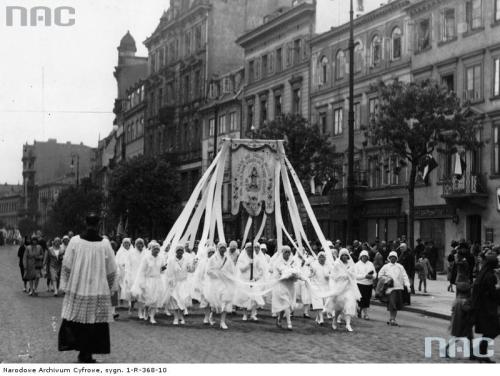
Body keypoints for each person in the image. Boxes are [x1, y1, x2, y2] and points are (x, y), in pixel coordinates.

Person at [58, 213, 117, 363]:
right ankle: (87, 353)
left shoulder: (75, 241)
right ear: (98, 225)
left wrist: (64, 285)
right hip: (98, 288)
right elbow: (111, 269)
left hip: (78, 286)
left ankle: (83, 353)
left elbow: (66, 265)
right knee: (94, 323)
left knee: (79, 321)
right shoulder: (104, 244)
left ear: (85, 223)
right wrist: (111, 288)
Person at [470, 252, 500, 363]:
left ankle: (482, 353)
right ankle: (481, 353)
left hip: (482, 308)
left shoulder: (483, 274)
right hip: (488, 309)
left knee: (489, 331)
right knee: (493, 330)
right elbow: (493, 293)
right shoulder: (490, 276)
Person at [324, 248, 361, 332]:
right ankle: (335, 320)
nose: (344, 256)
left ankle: (348, 324)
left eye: (346, 255)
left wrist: (351, 274)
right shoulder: (337, 264)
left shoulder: (351, 264)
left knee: (349, 305)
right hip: (340, 288)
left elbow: (355, 275)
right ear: (340, 256)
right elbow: (333, 276)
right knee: (339, 307)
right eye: (343, 255)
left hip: (348, 288)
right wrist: (343, 276)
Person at [131, 242, 166, 324]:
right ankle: (146, 311)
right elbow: (142, 271)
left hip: (157, 280)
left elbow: (162, 270)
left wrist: (163, 269)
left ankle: (152, 317)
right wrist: (141, 282)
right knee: (148, 299)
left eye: (158, 249)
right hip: (148, 281)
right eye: (155, 249)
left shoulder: (161, 258)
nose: (156, 250)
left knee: (155, 299)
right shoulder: (146, 258)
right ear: (151, 249)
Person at [204, 241, 236, 330]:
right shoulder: (212, 259)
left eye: (224, 248)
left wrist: (229, 277)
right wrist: (218, 274)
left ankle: (222, 321)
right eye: (221, 247)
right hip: (215, 284)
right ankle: (211, 315)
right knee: (216, 304)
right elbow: (208, 271)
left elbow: (232, 270)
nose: (223, 249)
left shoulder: (228, 259)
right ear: (218, 248)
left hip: (225, 284)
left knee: (225, 301)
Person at [164, 245, 197, 325]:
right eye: (178, 250)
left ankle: (181, 317)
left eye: (181, 251)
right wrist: (170, 281)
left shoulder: (186, 260)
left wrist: (194, 264)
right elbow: (168, 273)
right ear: (176, 251)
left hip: (184, 283)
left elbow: (191, 270)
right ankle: (175, 317)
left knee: (183, 300)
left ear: (183, 252)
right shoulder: (171, 260)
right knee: (175, 300)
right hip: (175, 283)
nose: (180, 252)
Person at [234, 242, 267, 321]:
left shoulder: (256, 259)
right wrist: (249, 264)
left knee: (254, 298)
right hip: (245, 281)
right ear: (245, 249)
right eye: (248, 248)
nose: (249, 250)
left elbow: (261, 271)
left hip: (253, 281)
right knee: (245, 298)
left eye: (250, 248)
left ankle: (253, 314)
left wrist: (256, 278)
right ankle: (245, 314)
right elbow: (241, 269)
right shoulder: (242, 258)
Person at [378, 251, 410, 326]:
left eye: (394, 257)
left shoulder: (400, 267)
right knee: (392, 303)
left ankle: (393, 318)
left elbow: (405, 276)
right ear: (389, 258)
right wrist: (387, 279)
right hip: (390, 288)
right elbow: (380, 275)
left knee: (396, 304)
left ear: (396, 258)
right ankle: (392, 318)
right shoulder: (386, 267)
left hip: (398, 287)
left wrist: (407, 285)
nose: (393, 258)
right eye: (391, 257)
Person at [271, 246, 300, 330]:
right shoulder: (278, 262)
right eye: (285, 252)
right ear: (282, 253)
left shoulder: (293, 261)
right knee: (286, 303)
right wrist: (285, 275)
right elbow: (278, 274)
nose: (287, 254)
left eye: (289, 252)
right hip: (281, 285)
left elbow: (297, 270)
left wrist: (295, 274)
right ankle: (289, 323)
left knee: (287, 305)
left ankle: (279, 319)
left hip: (290, 286)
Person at [309, 252, 331, 325]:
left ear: (325, 258)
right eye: (320, 257)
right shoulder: (314, 265)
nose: (322, 259)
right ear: (318, 258)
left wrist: (329, 276)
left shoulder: (328, 266)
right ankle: (321, 319)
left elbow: (332, 275)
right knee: (318, 303)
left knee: (325, 304)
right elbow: (310, 275)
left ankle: (318, 317)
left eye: (323, 257)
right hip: (316, 287)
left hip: (326, 287)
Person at [125, 238, 145, 318]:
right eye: (138, 244)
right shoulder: (131, 253)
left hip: (143, 276)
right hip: (133, 275)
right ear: (135, 245)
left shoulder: (146, 252)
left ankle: (141, 312)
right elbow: (128, 265)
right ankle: (131, 307)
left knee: (142, 295)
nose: (140, 245)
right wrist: (128, 275)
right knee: (133, 295)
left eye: (141, 243)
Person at [355, 250, 376, 320]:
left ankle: (360, 310)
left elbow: (375, 273)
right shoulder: (357, 265)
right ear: (360, 257)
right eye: (363, 256)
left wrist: (372, 276)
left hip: (369, 284)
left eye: (366, 256)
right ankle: (365, 314)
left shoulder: (370, 264)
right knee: (362, 300)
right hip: (360, 284)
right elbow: (355, 276)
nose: (364, 258)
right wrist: (365, 276)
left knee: (367, 299)